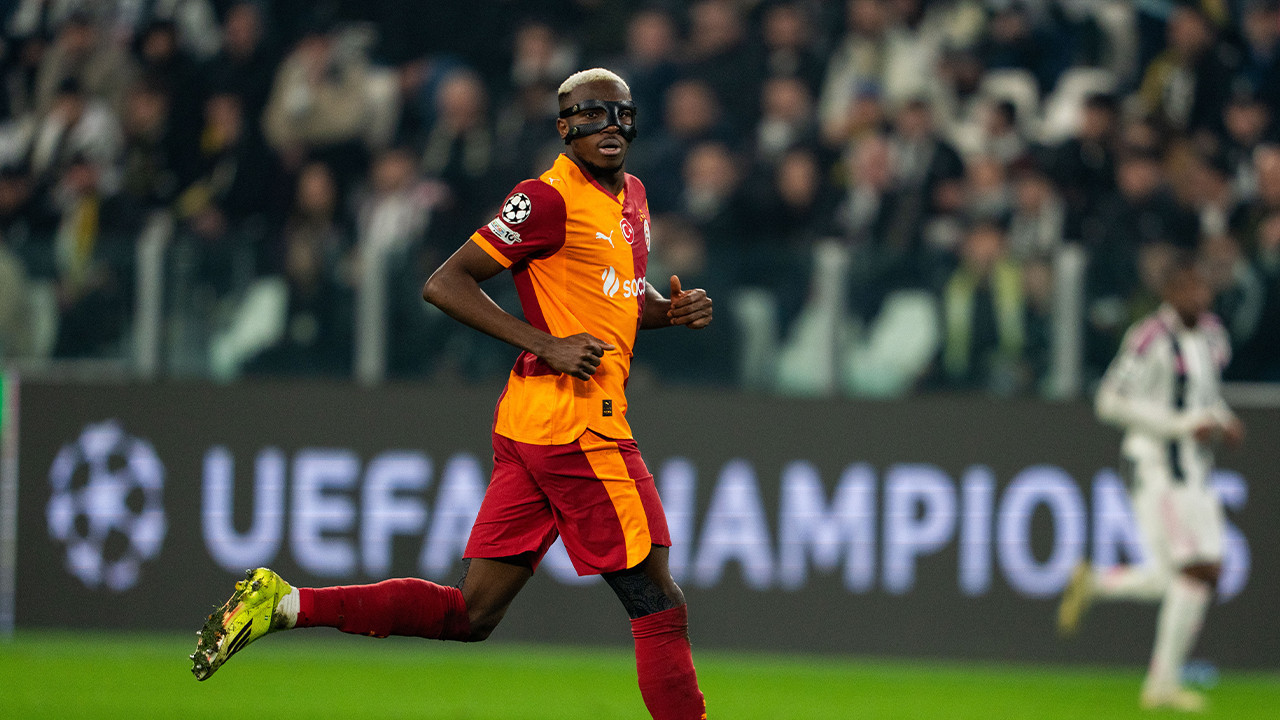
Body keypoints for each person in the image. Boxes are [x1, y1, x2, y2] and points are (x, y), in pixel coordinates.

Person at [191, 68, 712, 720]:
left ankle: (285, 604)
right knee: (657, 602)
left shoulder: (632, 196)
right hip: (577, 424)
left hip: (535, 424)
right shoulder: (545, 199)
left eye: (620, 113)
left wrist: (668, 310)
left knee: (471, 612)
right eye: (589, 114)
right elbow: (446, 282)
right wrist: (546, 343)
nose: (607, 125)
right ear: (563, 127)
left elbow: (616, 299)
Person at [1057, 256, 1245, 712]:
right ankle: (1162, 685)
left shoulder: (1214, 336)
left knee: (1173, 578)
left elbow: (1204, 396)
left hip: (1195, 469)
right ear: (1168, 294)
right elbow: (1109, 401)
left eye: (1202, 288)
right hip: (1157, 466)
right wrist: (1180, 426)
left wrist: (1223, 419)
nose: (1197, 297)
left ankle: (1097, 583)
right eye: (1186, 289)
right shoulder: (1149, 338)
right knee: (1198, 571)